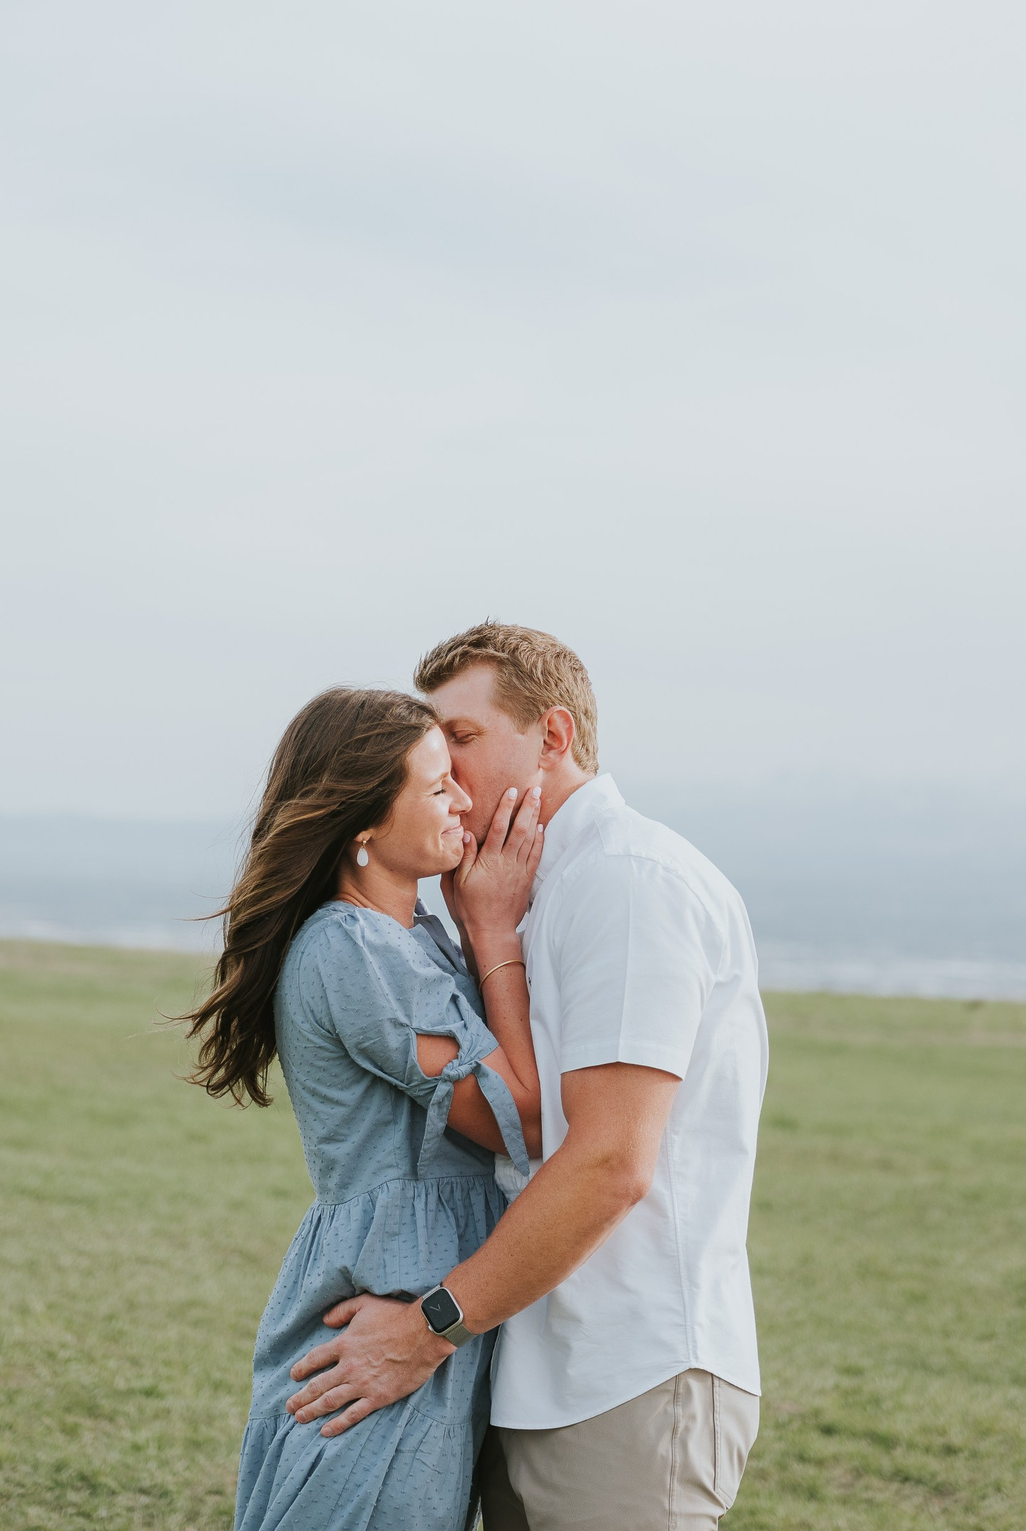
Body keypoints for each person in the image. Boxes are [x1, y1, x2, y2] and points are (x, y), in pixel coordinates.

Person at [284, 625, 768, 1531]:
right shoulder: (519, 890)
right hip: (526, 1366)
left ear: (552, 737)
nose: (440, 766)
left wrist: (428, 1327)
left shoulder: (627, 881)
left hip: (624, 1374)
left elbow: (608, 1161)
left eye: (461, 739)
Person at [187, 687, 551, 1531]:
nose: (464, 798)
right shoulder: (355, 948)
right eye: (436, 789)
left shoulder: (407, 936)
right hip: (389, 1294)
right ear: (361, 824)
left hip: (419, 1286)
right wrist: (494, 931)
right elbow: (518, 1123)